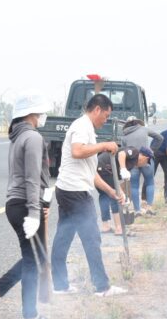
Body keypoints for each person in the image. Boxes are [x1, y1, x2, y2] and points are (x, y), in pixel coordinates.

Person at [0, 94, 55, 319]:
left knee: (32, 259)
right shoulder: (32, 138)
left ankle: (28, 313)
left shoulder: (17, 136)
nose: (42, 116)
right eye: (40, 112)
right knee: (35, 259)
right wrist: (35, 213)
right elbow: (32, 178)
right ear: (31, 114)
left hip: (16, 204)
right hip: (26, 205)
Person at [50, 94, 127, 297]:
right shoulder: (81, 126)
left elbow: (89, 172)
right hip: (74, 193)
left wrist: (111, 191)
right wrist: (104, 145)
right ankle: (102, 287)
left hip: (69, 189)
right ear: (97, 110)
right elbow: (77, 151)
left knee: (63, 237)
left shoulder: (87, 130)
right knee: (92, 237)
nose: (106, 120)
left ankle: (60, 285)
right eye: (106, 115)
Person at [97, 147, 153, 234]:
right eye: (146, 162)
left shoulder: (131, 164)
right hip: (105, 167)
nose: (144, 165)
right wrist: (123, 169)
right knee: (115, 196)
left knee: (104, 195)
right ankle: (119, 228)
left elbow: (122, 182)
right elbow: (121, 154)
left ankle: (105, 226)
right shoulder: (135, 152)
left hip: (100, 167)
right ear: (145, 158)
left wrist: (125, 196)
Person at [121, 118, 163, 215]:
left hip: (132, 162)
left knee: (134, 186)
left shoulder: (124, 135)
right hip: (146, 159)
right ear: (138, 123)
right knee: (150, 182)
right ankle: (149, 208)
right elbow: (160, 138)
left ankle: (137, 210)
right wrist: (152, 150)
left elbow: (123, 151)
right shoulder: (144, 129)